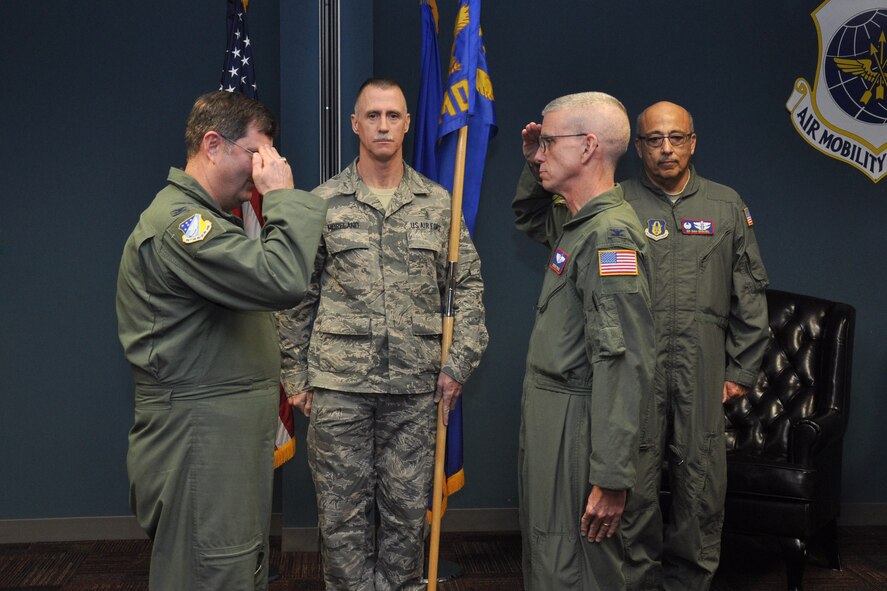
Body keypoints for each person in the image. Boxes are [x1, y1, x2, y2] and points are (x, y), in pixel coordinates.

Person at [275, 78, 488, 591]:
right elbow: (295, 296)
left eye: (394, 115)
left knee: (406, 521)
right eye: (373, 115)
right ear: (355, 124)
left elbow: (468, 289)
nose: (384, 125)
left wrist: (457, 366)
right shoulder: (321, 204)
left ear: (407, 123)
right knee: (341, 521)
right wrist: (295, 375)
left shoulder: (439, 205)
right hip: (339, 389)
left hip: (415, 391)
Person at [116, 91, 327, 591]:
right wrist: (279, 197)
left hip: (220, 434)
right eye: (257, 154)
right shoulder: (183, 226)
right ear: (213, 144)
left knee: (231, 566)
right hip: (200, 437)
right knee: (211, 570)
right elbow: (280, 279)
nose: (264, 169)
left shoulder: (209, 220)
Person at [619, 101, 770, 591]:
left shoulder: (725, 206)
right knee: (633, 483)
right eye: (655, 139)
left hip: (701, 367)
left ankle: (689, 584)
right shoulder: (616, 205)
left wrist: (740, 370)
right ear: (638, 147)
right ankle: (638, 582)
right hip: (635, 368)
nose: (666, 148)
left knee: (700, 483)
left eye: (677, 137)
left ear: (693, 142)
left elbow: (748, 292)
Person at [512, 92, 655, 591]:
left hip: (580, 425)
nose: (540, 152)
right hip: (554, 415)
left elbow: (622, 360)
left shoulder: (610, 236)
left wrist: (612, 475)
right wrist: (536, 160)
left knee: (573, 567)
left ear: (589, 145)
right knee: (550, 555)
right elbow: (529, 215)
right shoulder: (578, 222)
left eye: (549, 142)